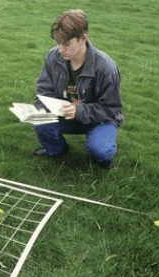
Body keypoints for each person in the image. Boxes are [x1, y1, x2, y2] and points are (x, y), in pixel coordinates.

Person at [33, 9, 123, 169]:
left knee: (100, 151)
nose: (60, 49)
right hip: (64, 115)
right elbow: (42, 92)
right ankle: (56, 150)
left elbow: (112, 111)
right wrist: (40, 111)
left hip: (98, 120)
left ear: (83, 39)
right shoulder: (53, 58)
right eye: (58, 43)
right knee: (39, 120)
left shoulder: (106, 68)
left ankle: (103, 158)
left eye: (66, 44)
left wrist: (79, 111)